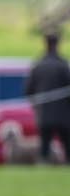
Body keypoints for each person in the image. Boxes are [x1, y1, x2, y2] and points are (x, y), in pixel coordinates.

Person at [25, 31, 70, 164]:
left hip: (44, 115)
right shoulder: (63, 65)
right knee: (67, 147)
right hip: (63, 115)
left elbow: (28, 90)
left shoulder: (38, 65)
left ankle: (43, 170)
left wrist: (37, 106)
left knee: (44, 148)